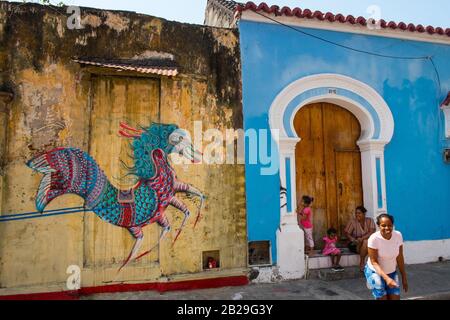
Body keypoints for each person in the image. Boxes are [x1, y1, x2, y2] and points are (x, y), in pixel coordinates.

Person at [364, 214, 408, 300]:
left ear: (393, 225)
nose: (387, 228)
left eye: (389, 225)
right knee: (383, 298)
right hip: (375, 271)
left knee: (395, 298)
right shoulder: (373, 239)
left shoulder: (398, 236)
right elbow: (374, 262)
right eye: (383, 225)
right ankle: (372, 281)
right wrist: (386, 279)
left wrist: (404, 277)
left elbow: (400, 257)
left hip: (391, 272)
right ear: (378, 226)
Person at [344, 206, 376, 271]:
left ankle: (362, 262)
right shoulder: (352, 222)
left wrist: (361, 239)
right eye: (356, 213)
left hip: (367, 243)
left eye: (359, 213)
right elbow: (347, 233)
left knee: (365, 241)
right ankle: (363, 262)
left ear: (364, 214)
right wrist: (352, 239)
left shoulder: (370, 220)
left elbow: (372, 232)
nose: (357, 215)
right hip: (355, 244)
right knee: (365, 242)